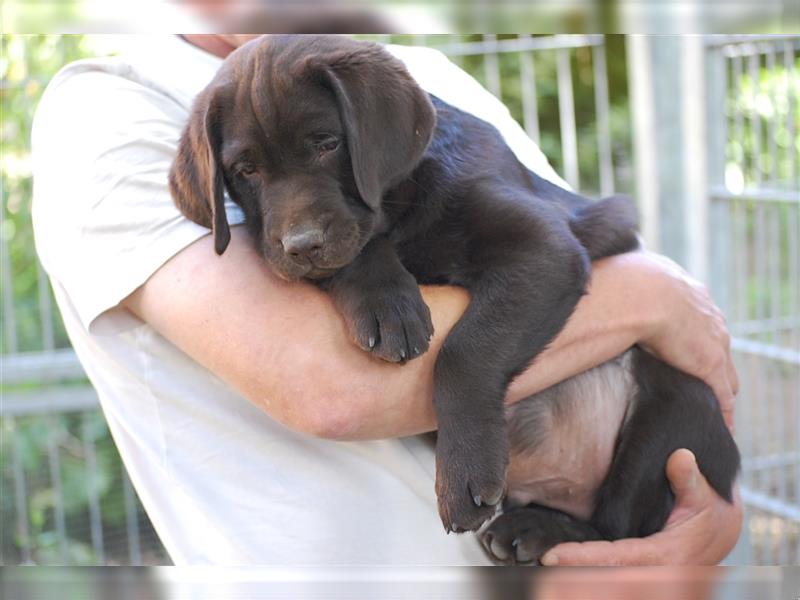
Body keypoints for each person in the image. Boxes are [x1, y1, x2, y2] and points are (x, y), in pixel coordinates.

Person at [31, 34, 741, 565]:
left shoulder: (408, 78)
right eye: (249, 172)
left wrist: (706, 521)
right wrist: (654, 296)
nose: (298, 227)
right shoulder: (116, 106)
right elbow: (330, 387)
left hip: (626, 457)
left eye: (324, 148)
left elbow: (565, 258)